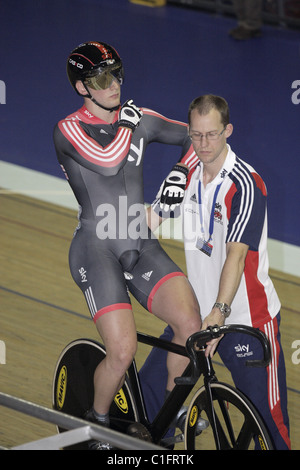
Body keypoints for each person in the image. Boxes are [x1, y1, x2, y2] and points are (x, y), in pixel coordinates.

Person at [53, 41, 202, 448]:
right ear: (82, 88)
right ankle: (97, 425)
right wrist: (127, 124)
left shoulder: (138, 117)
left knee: (191, 327)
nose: (114, 84)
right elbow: (109, 161)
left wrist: (178, 179)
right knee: (122, 351)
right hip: (95, 249)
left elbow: (197, 140)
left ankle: (166, 427)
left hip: (140, 242)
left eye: (117, 73)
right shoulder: (67, 130)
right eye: (102, 78)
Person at [145, 94, 291, 450]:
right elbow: (151, 220)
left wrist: (218, 314)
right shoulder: (188, 168)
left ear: (228, 130)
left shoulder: (245, 185)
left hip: (245, 318)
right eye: (195, 135)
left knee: (271, 429)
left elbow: (236, 258)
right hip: (194, 311)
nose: (203, 144)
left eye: (211, 135)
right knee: (151, 394)